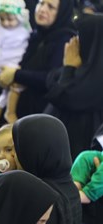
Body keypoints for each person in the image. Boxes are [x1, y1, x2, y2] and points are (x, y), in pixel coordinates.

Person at [12, 114, 81, 224]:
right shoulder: (68, 186)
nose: (13, 155)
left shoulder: (39, 196)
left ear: (34, 151)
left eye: (17, 147)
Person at [0, 0, 75, 118]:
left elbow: (51, 79)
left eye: (50, 7)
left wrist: (16, 75)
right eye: (41, 3)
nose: (42, 9)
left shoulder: (65, 40)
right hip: (19, 108)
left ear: (62, 12)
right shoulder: (35, 34)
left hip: (40, 114)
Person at [44, 13, 103, 158]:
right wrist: (68, 68)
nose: (73, 41)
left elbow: (63, 97)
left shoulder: (95, 83)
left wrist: (69, 68)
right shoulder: (80, 70)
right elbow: (51, 80)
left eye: (80, 36)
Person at [0, 0, 32, 130]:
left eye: (10, 19)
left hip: (17, 65)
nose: (5, 23)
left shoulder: (24, 29)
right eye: (2, 19)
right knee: (15, 86)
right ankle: (9, 112)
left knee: (8, 92)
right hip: (5, 67)